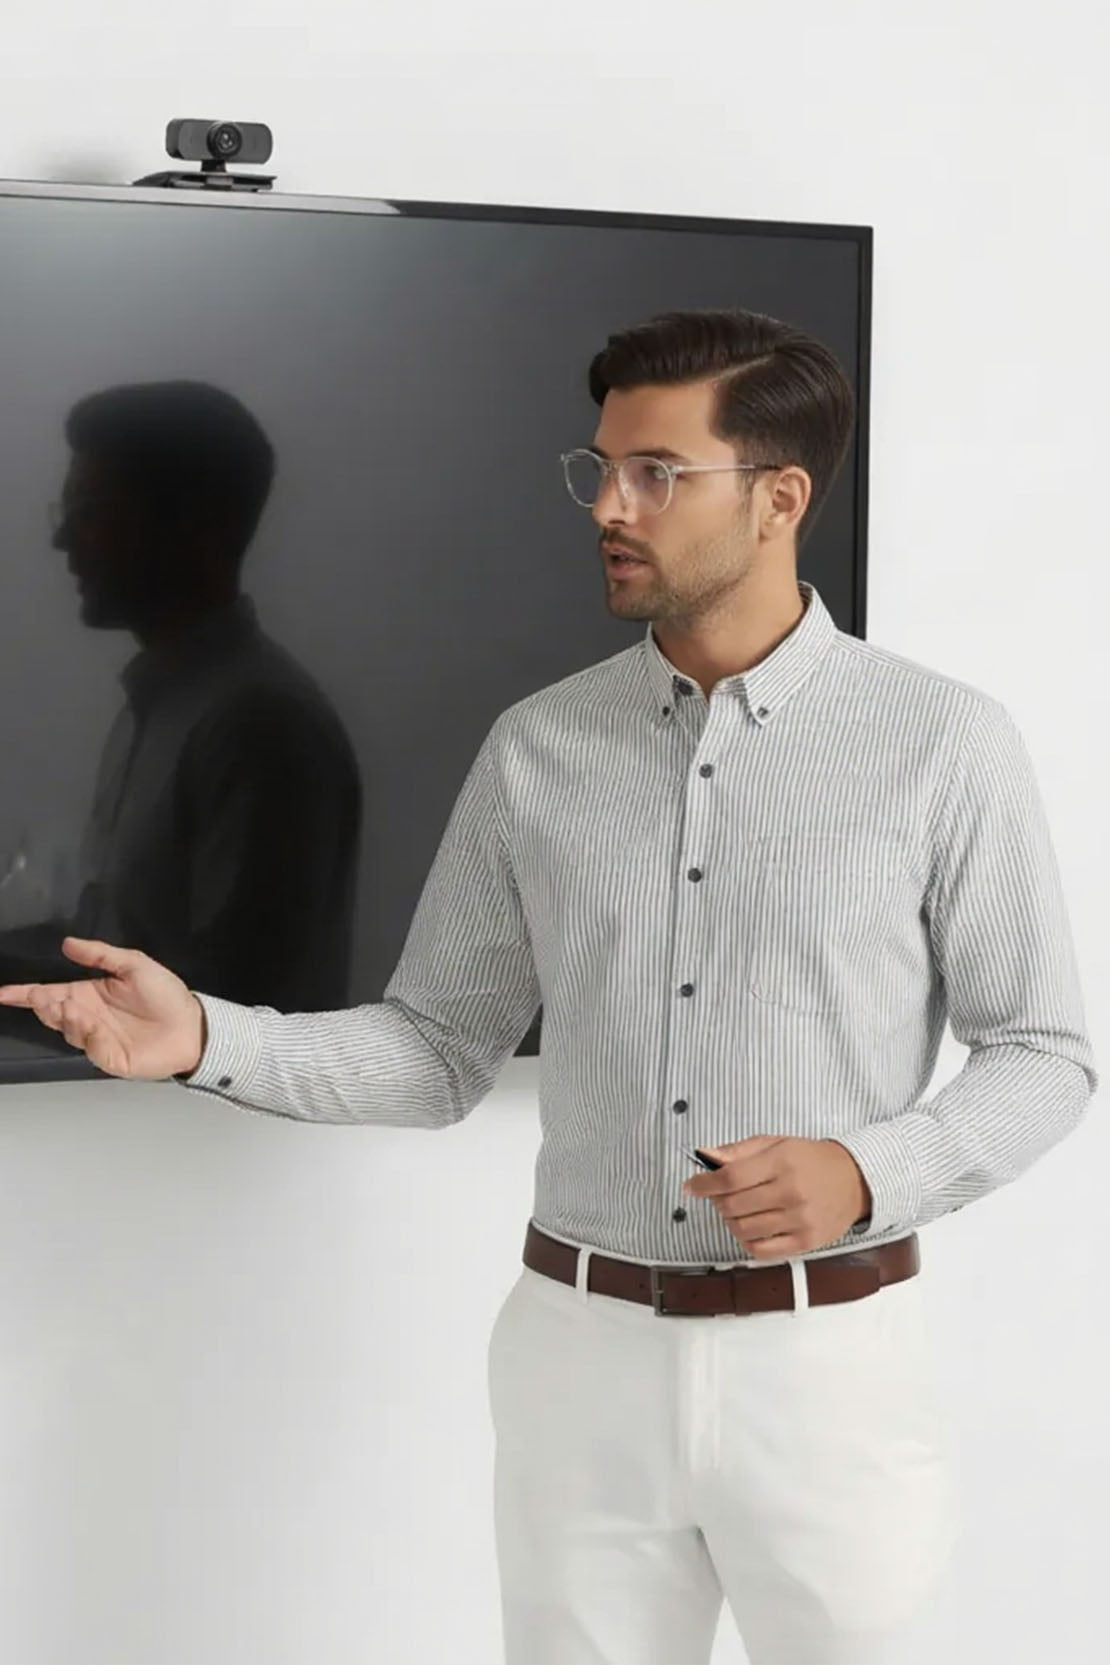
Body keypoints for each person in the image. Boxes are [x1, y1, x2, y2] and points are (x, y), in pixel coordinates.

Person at [0, 308, 1097, 1665]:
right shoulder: (536, 749)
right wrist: (205, 1037)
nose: (608, 508)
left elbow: (1045, 1050)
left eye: (655, 472)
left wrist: (871, 1173)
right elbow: (432, 1050)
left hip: (831, 1374)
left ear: (779, 498)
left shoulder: (942, 744)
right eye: (599, 469)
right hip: (576, 1359)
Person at [0, 380, 362, 1035]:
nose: (61, 540)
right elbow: (115, 948)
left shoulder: (259, 728)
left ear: (194, 526)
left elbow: (228, 1011)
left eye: (91, 511)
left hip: (213, 1135)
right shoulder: (170, 710)